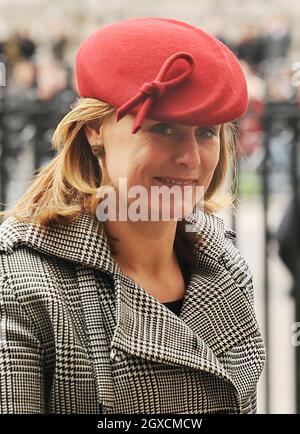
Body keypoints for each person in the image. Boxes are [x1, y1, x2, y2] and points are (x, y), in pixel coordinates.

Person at [0, 17, 265, 414]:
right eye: (164, 129)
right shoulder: (20, 283)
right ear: (94, 130)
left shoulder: (224, 265)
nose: (190, 158)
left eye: (206, 132)